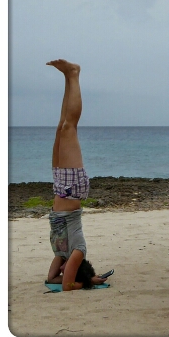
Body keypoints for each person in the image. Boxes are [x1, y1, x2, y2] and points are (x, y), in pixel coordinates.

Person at [44, 60, 112, 291]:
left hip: (60, 189)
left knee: (61, 126)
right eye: (68, 270)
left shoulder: (61, 253)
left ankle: (68, 77)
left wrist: (64, 273)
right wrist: (87, 281)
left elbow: (51, 280)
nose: (61, 270)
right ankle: (73, 75)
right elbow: (66, 286)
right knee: (69, 128)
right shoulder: (78, 251)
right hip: (71, 190)